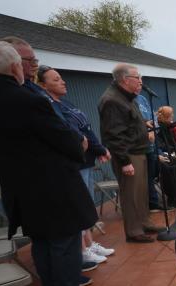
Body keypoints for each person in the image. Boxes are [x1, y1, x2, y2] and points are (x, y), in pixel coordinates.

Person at [0, 40, 105, 286]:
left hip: (16, 185)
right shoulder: (26, 99)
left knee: (40, 241)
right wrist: (80, 144)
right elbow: (64, 139)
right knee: (63, 239)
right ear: (13, 66)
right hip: (52, 183)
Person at [37, 65, 115, 266]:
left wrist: (98, 149)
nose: (62, 81)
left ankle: (89, 243)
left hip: (85, 161)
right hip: (73, 164)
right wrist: (87, 144)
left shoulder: (64, 103)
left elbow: (86, 130)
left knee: (86, 204)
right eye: (55, 79)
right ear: (42, 85)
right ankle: (82, 250)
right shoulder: (49, 106)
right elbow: (73, 134)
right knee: (79, 208)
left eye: (61, 78)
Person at [99, 63, 163, 242]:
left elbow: (129, 121)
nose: (141, 81)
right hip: (128, 154)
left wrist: (143, 124)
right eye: (138, 78)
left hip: (138, 150)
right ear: (125, 80)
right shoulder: (112, 100)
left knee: (141, 192)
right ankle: (134, 232)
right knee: (131, 194)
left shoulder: (127, 97)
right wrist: (124, 161)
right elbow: (114, 134)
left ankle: (144, 222)